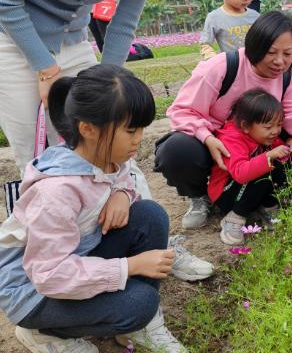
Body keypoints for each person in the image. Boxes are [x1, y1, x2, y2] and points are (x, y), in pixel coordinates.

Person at [0, 0, 213, 283]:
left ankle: (156, 244)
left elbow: (123, 27)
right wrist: (44, 65)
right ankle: (40, 270)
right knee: (39, 157)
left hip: (72, 38)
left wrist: (110, 88)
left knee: (114, 135)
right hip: (14, 40)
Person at [0, 65, 185, 353]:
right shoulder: (57, 192)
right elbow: (49, 275)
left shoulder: (105, 156)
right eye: (131, 130)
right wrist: (129, 267)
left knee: (150, 215)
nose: (139, 139)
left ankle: (135, 326)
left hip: (77, 254)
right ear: (87, 128)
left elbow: (121, 177)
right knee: (140, 304)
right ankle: (42, 332)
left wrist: (122, 193)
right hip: (33, 291)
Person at [155, 11, 292, 230]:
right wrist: (207, 138)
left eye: (287, 53)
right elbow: (181, 111)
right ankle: (199, 197)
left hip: (254, 149)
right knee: (176, 151)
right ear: (255, 46)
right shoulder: (221, 68)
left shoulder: (288, 77)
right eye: (271, 52)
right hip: (214, 145)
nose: (280, 61)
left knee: (290, 149)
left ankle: (264, 200)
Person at [209, 89, 292, 245]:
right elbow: (240, 173)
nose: (275, 131)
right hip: (226, 194)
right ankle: (234, 217)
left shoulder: (264, 136)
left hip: (247, 190)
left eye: (279, 125)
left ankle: (268, 208)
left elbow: (282, 155)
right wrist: (269, 156)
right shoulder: (232, 138)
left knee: (278, 165)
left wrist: (291, 147)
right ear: (245, 126)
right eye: (268, 127)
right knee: (267, 165)